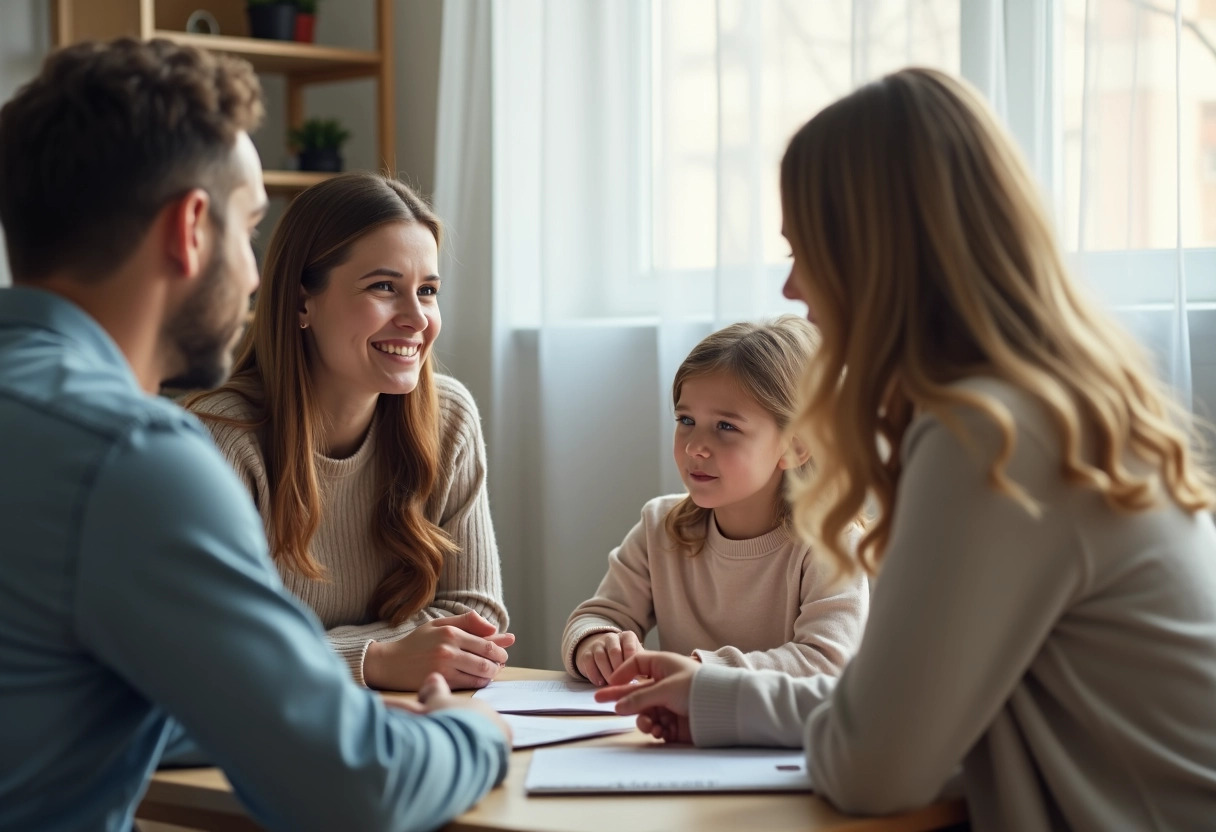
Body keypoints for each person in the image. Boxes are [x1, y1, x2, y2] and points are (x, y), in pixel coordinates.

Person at [596, 67, 1216, 830]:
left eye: (805, 250)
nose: (792, 288)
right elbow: (902, 711)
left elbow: (874, 768)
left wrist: (732, 701)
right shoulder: (1048, 407)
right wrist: (714, 697)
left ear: (879, 253)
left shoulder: (989, 438)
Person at [0, 38, 509, 832]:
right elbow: (352, 790)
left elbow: (128, 702)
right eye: (250, 230)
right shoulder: (133, 457)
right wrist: (472, 738)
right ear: (190, 229)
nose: (251, 275)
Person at [186, 172, 512, 692]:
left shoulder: (449, 418)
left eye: (427, 291)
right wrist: (375, 659)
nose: (416, 318)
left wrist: (311, 654)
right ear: (300, 303)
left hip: (405, 711)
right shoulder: (220, 442)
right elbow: (209, 649)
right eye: (384, 287)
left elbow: (476, 619)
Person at [562, 317, 867, 685]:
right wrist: (596, 642)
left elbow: (825, 662)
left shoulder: (830, 543)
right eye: (686, 419)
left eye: (726, 426)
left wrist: (701, 672)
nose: (694, 447)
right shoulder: (659, 525)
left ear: (795, 446)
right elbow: (600, 615)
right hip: (678, 737)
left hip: (786, 741)